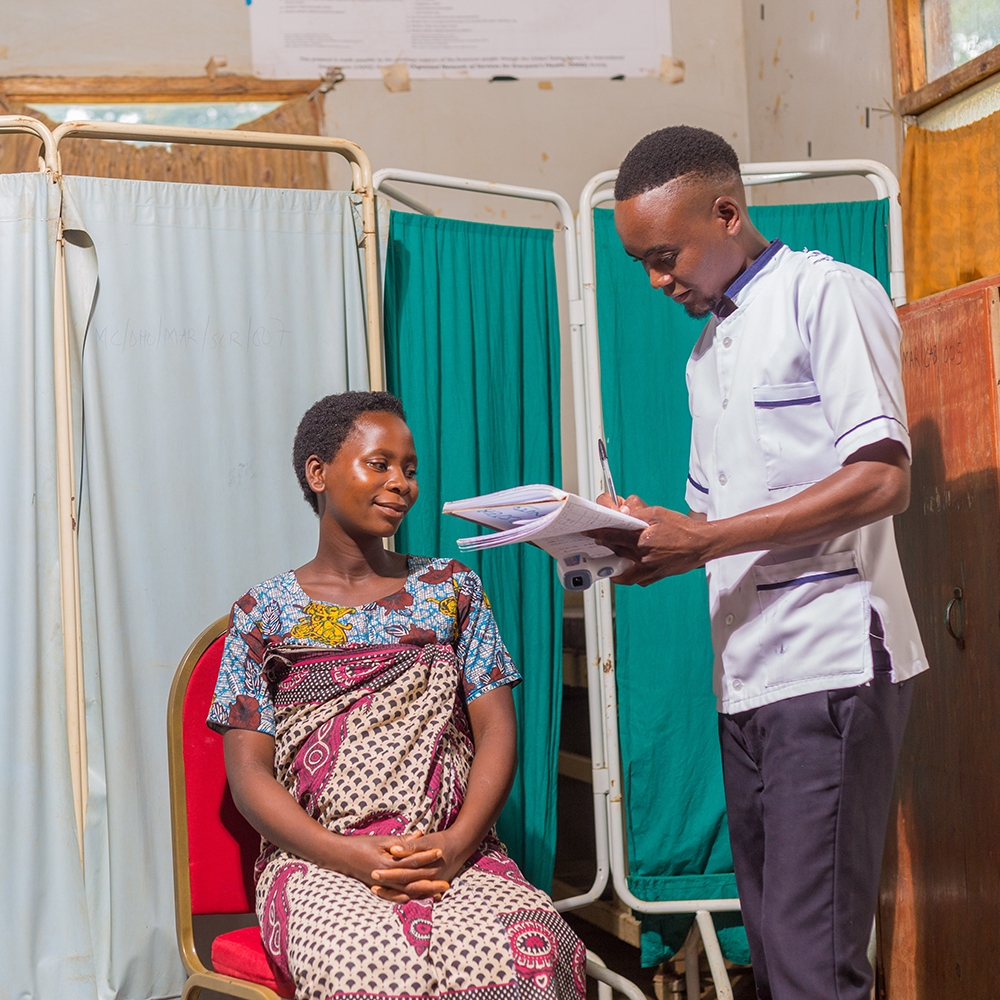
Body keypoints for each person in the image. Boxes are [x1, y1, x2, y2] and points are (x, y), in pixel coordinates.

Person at [591, 127, 927, 1000]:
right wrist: (643, 539)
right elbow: (713, 518)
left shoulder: (829, 295)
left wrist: (704, 540)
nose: (656, 281)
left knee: (814, 960)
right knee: (776, 952)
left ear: (728, 212)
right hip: (744, 679)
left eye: (664, 257)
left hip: (830, 661)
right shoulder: (706, 356)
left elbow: (882, 478)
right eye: (640, 263)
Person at [207, 390, 585, 1000]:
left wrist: (458, 844)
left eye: (409, 469)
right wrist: (346, 854)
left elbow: (495, 731)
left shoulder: (452, 589)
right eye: (378, 463)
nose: (401, 483)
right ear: (318, 472)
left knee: (531, 956)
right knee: (363, 969)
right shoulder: (263, 614)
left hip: (453, 855)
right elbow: (249, 776)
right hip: (318, 862)